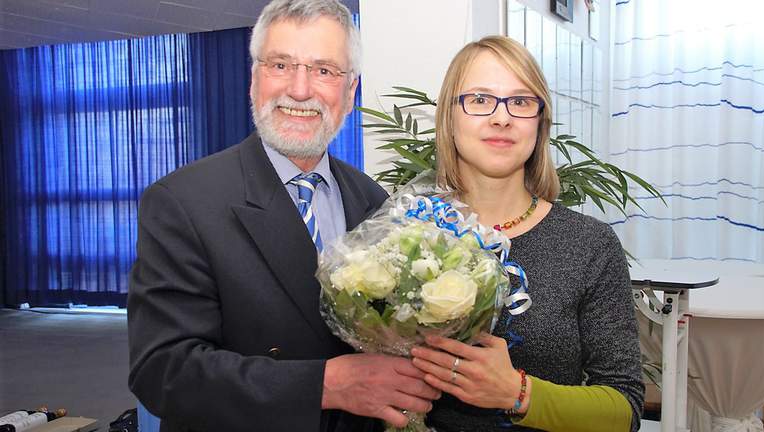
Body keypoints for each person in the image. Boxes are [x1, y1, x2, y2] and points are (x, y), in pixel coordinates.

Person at [127, 1, 440, 431]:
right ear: (254, 80)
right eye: (280, 64)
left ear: (350, 92)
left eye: (324, 70)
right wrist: (325, 384)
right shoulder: (182, 201)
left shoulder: (371, 199)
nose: (299, 89)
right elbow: (163, 372)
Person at [409, 36, 644, 432]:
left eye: (520, 101)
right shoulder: (409, 236)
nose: (501, 118)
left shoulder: (590, 245)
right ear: (449, 119)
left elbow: (625, 408)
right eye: (480, 99)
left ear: (540, 122)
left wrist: (517, 393)